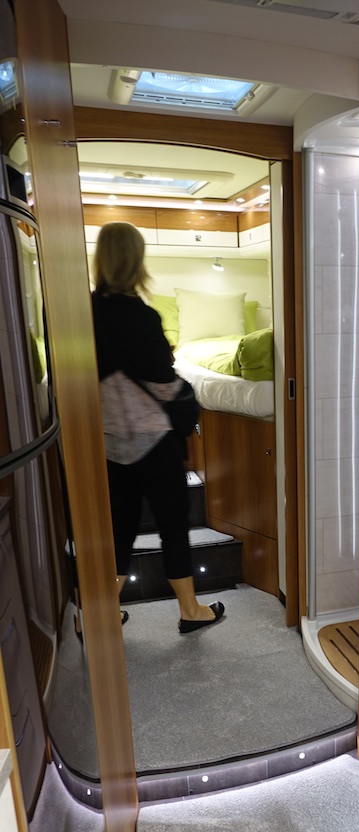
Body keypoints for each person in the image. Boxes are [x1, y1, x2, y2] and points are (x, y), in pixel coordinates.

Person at [92, 221, 224, 634]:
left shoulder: (80, 312)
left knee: (119, 528)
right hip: (153, 440)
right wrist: (185, 388)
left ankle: (99, 615)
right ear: (136, 261)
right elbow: (164, 384)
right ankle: (190, 610)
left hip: (107, 440)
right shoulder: (141, 316)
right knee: (172, 524)